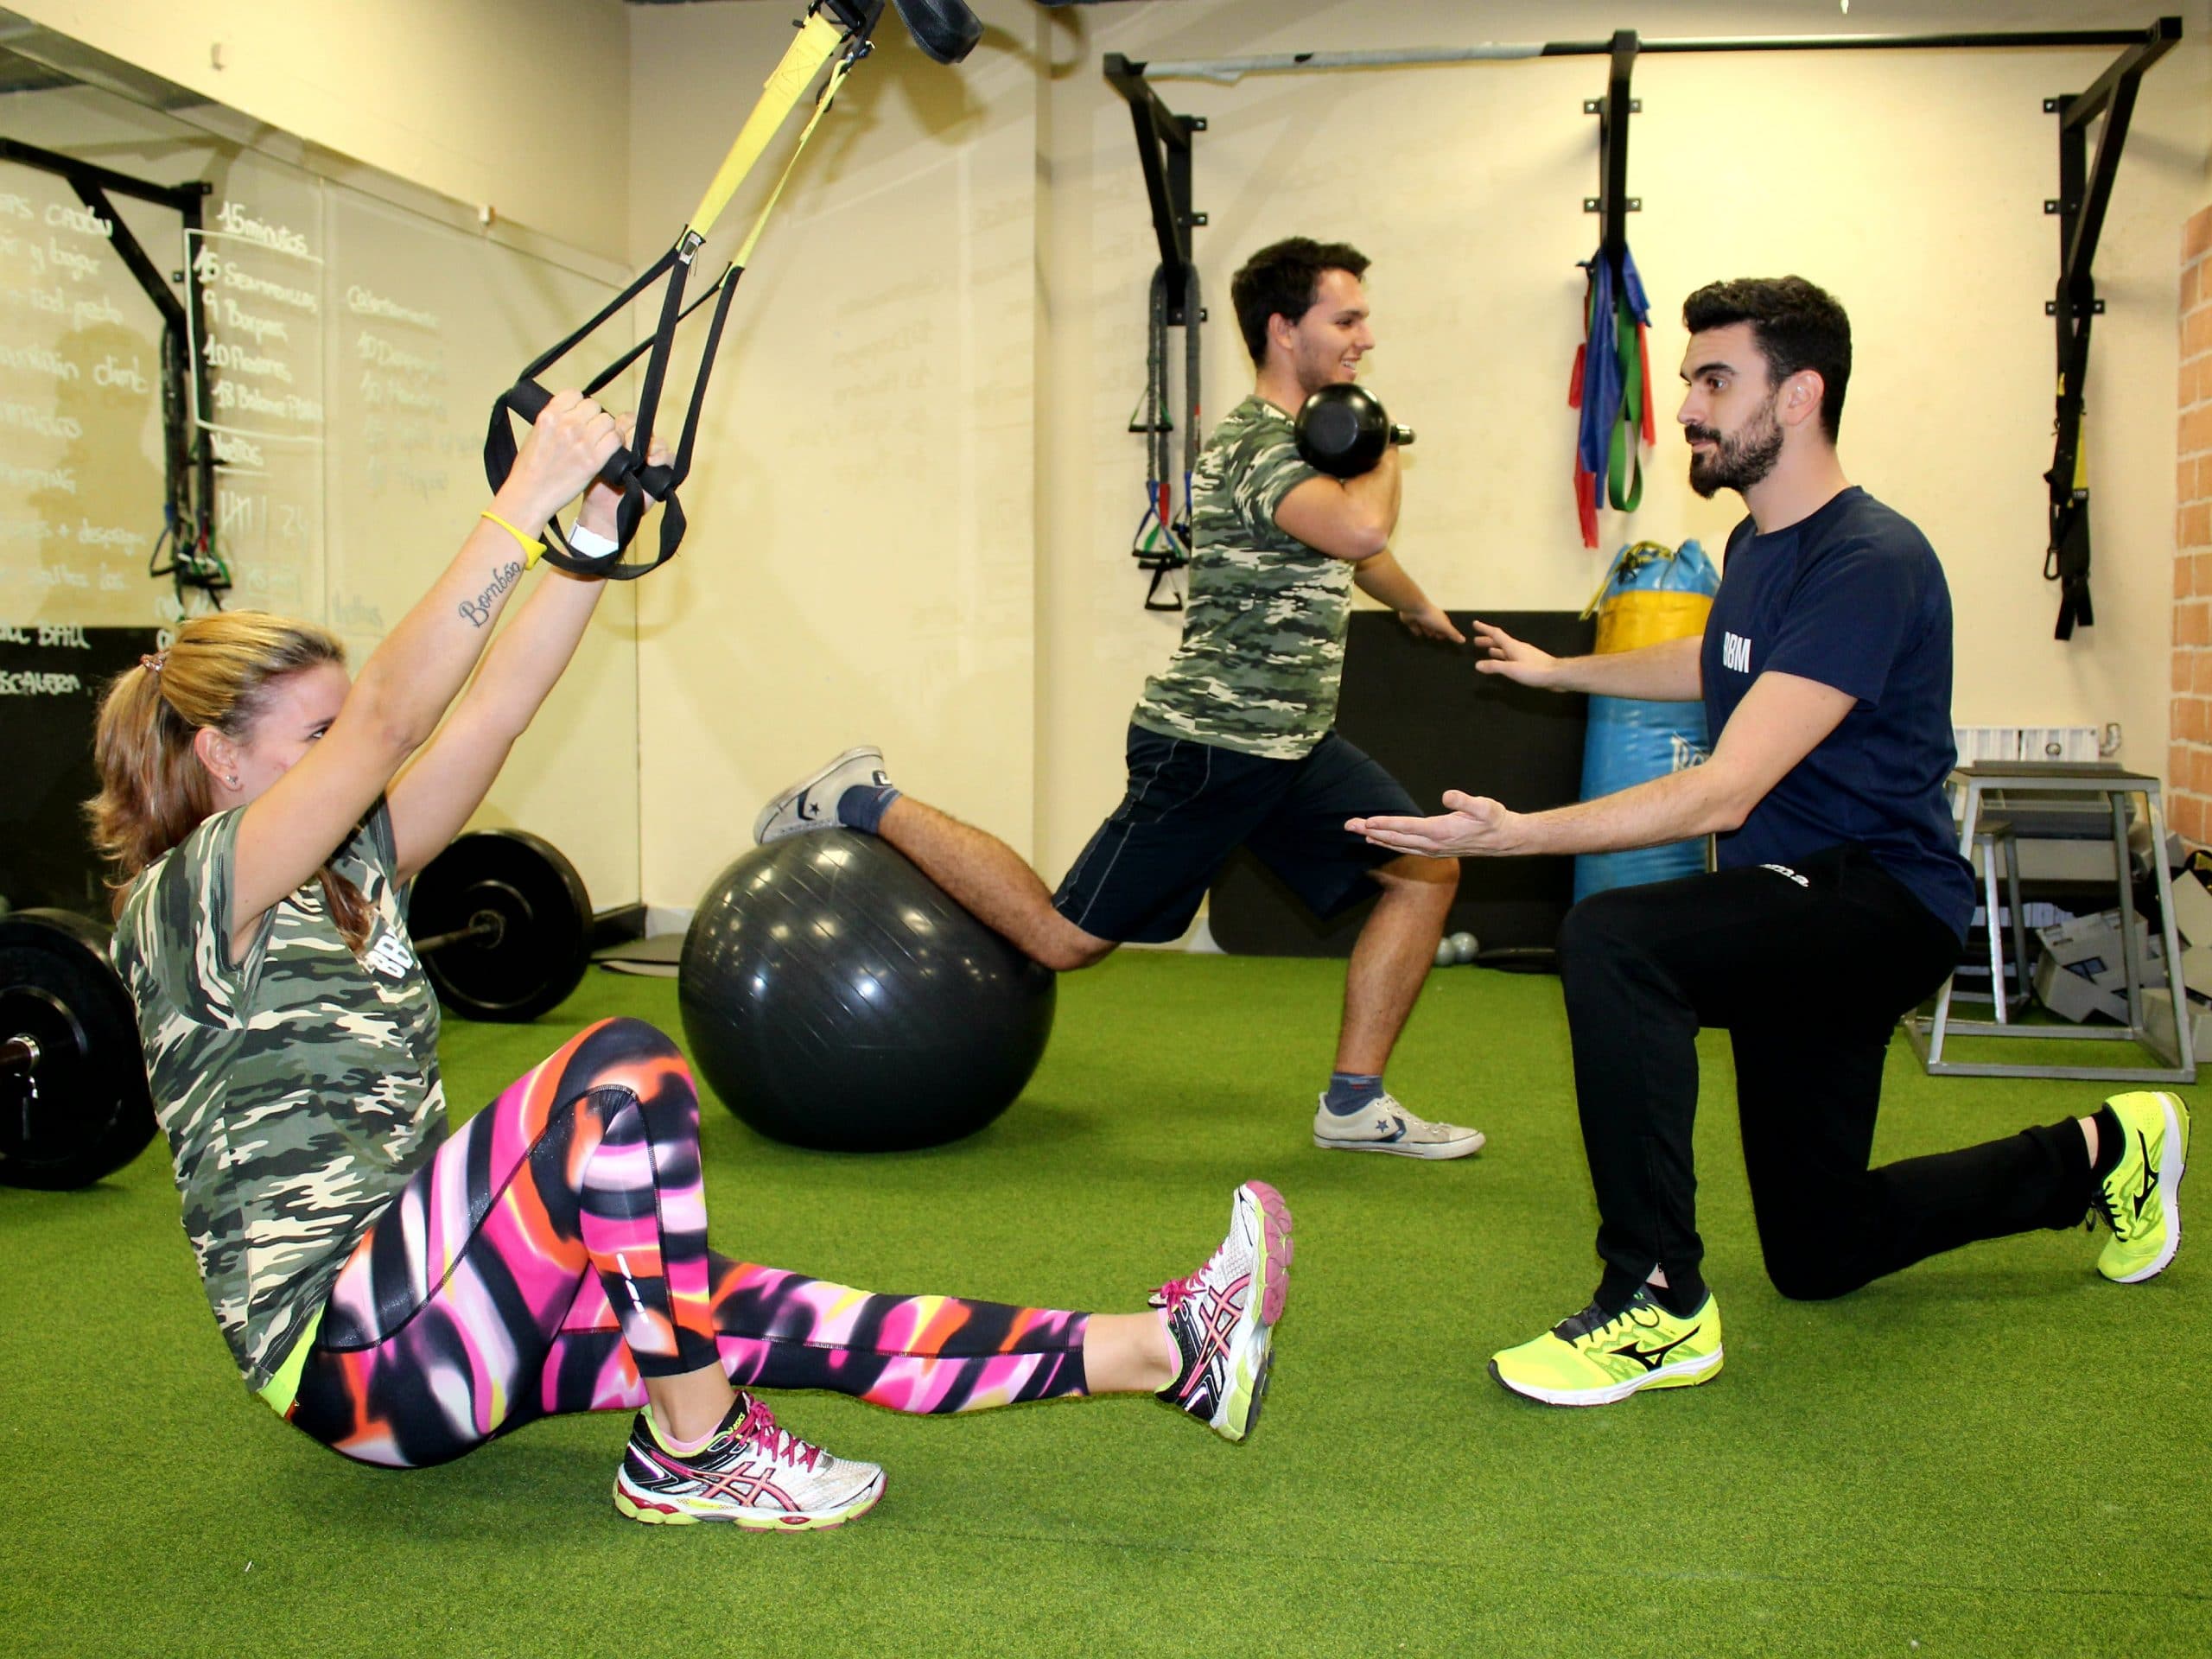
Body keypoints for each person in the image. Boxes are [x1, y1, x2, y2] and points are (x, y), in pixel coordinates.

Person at [90, 391, 1294, 1524]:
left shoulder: (346, 869)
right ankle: (695, 1451)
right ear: (220, 761)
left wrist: (592, 534)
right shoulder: (188, 902)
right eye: (319, 733)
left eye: (339, 726)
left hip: (446, 1311)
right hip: (349, 1350)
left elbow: (490, 714)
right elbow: (397, 720)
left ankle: (1163, 1355)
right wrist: (516, 504)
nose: (349, 751)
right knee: (619, 1077)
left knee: (751, 1313)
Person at [1350, 276, 2189, 1406]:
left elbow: (1723, 791)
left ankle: (1652, 1302)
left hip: (1875, 902)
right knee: (1819, 1248)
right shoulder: (1758, 551)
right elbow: (1715, 671)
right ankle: (2104, 1152)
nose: (1689, 408)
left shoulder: (1868, 561)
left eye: (1713, 381)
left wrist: (1517, 838)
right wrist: (1560, 670)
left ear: (1799, 395)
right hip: (1798, 906)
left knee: (1614, 940)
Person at [758, 237, 1480, 1160]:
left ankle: (1352, 1102)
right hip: (1213, 745)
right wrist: (1380, 438)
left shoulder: (1306, 454)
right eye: (1345, 321)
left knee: (1427, 871)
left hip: (1291, 746)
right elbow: (1361, 525)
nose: (1363, 339)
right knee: (1065, 940)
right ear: (1281, 329)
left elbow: (1364, 554)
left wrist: (1421, 609)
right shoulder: (1255, 445)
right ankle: (864, 796)